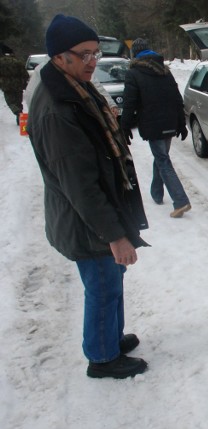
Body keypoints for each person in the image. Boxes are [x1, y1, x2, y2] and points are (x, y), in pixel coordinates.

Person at [27, 14, 149, 379]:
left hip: (98, 213)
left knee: (112, 281)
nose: (92, 62)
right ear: (59, 57)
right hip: (87, 222)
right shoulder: (57, 109)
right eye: (84, 55)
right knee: (102, 287)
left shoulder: (77, 91)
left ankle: (109, 338)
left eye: (95, 53)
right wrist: (114, 235)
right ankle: (101, 357)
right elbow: (79, 185)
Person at [120, 38, 191, 218]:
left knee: (162, 160)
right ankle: (156, 193)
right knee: (161, 156)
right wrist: (181, 124)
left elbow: (129, 103)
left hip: (153, 125)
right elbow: (177, 98)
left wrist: (124, 126)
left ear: (135, 55)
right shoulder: (165, 71)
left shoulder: (134, 73)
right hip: (169, 123)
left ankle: (180, 201)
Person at [24, 57, 120, 117]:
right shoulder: (42, 71)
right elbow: (31, 99)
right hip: (56, 125)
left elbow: (95, 86)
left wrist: (110, 104)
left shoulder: (78, 66)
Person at [0, 42, 29, 125]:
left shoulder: (1, 62)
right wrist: (23, 82)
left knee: (11, 102)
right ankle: (19, 115)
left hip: (6, 85)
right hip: (19, 85)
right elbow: (25, 74)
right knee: (18, 101)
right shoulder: (18, 62)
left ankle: (18, 113)